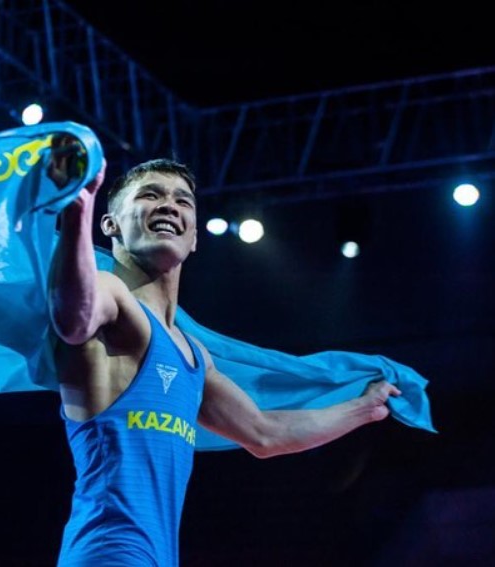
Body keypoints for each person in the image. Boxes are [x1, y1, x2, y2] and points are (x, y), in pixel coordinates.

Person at [46, 146, 402, 566]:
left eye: (182, 200)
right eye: (150, 195)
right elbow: (74, 317)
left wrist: (366, 408)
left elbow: (266, 434)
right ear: (111, 224)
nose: (169, 205)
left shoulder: (193, 355)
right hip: (108, 553)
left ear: (194, 236)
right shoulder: (110, 295)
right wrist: (77, 206)